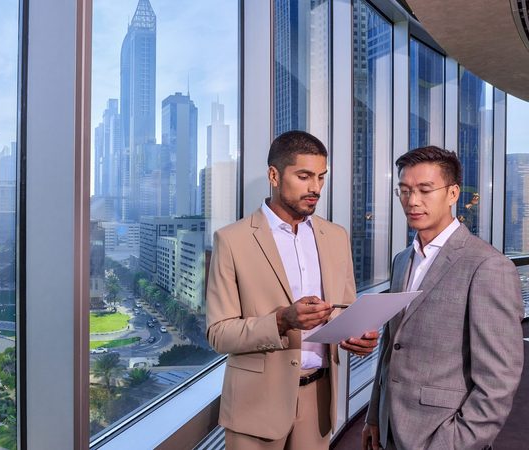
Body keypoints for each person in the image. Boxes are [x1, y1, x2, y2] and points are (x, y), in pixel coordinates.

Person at [206, 130, 378, 450]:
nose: (315, 188)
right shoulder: (231, 240)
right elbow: (219, 334)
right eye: (304, 176)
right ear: (274, 174)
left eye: (321, 177)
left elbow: (346, 310)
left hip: (318, 402)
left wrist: (357, 337)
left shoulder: (336, 236)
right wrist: (282, 320)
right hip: (255, 406)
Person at [362, 146, 523, 450]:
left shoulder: (487, 266)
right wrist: (374, 417)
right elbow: (390, 347)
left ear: (452, 194)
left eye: (425, 189)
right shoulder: (402, 260)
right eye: (404, 190)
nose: (412, 201)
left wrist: (452, 443)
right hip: (389, 428)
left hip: (441, 435)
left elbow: (498, 382)